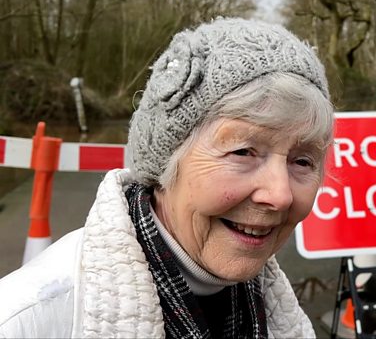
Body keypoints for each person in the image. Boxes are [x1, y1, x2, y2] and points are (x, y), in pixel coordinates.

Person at [0, 17, 334, 338]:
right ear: (165, 162)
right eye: (243, 152)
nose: (281, 195)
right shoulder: (27, 320)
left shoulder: (275, 308)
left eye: (303, 161)